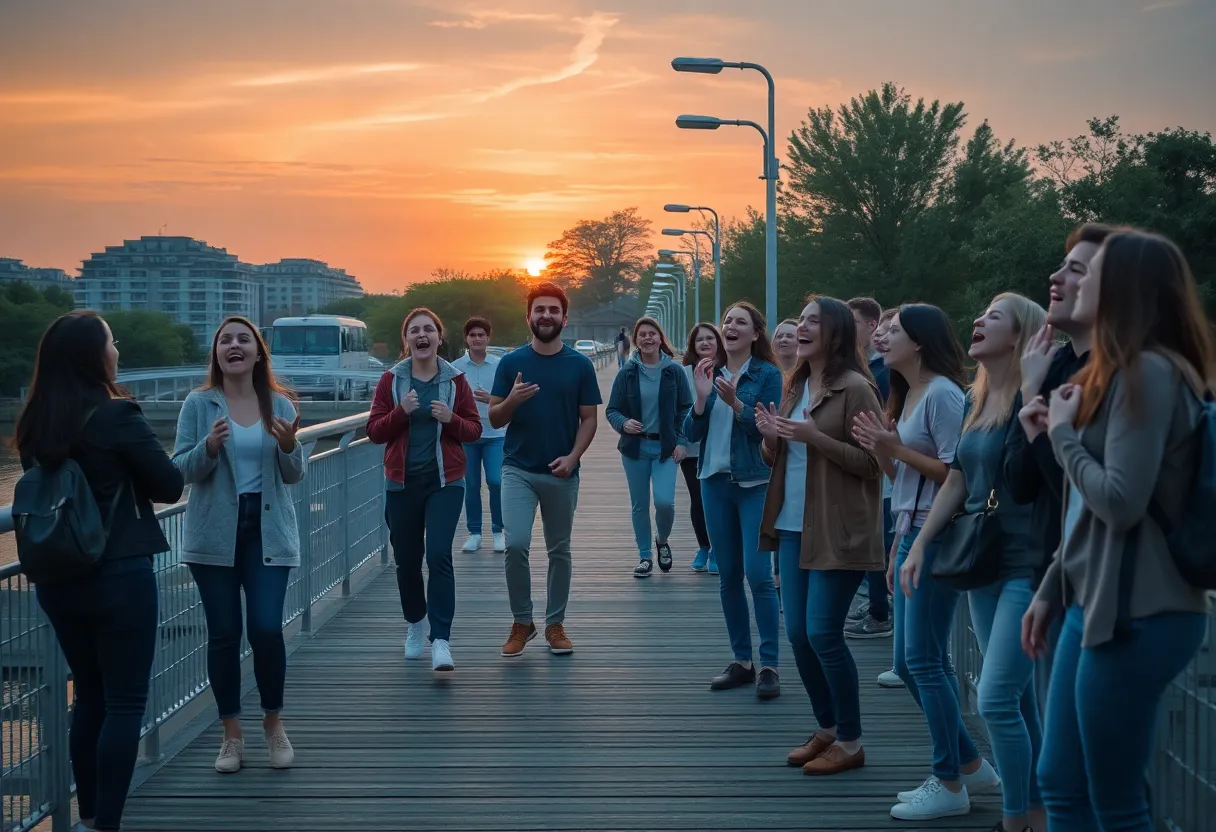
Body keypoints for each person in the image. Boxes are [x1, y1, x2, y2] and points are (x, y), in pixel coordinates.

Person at [1023, 231, 1214, 831]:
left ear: (1123, 287)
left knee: (1116, 800)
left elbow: (1121, 503)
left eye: (1090, 270)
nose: (1073, 280)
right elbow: (1086, 512)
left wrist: (1060, 434)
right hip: (1093, 601)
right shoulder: (1113, 374)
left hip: (1140, 613)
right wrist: (1053, 587)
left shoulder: (1148, 373)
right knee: (1059, 780)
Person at [14, 311, 184, 832]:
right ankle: (108, 823)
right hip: (118, 574)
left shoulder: (36, 423)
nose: (117, 351)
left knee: (87, 696)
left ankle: (88, 816)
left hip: (58, 578)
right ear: (94, 355)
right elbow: (169, 485)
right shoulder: (117, 415)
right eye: (111, 342)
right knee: (125, 700)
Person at [901, 294, 1046, 829]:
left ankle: (1013, 819)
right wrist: (919, 546)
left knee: (996, 697)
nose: (978, 321)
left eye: (994, 317)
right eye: (980, 313)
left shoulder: (1037, 394)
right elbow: (958, 477)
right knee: (1019, 696)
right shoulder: (976, 397)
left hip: (1028, 563)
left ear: (1020, 336)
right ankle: (1034, 810)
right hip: (984, 563)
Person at [853, 304, 999, 820]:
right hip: (910, 528)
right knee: (916, 664)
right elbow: (903, 480)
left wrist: (893, 446)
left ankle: (950, 781)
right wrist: (883, 450)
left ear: (921, 342)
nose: (881, 338)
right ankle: (966, 761)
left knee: (925, 662)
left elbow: (955, 475)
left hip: (937, 533)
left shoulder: (940, 392)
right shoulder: (907, 391)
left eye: (892, 332)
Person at [756, 296, 884, 775]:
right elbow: (783, 460)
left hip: (839, 529)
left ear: (835, 333)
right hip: (792, 526)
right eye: (801, 318)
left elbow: (875, 465)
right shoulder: (797, 384)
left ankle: (851, 741)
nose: (803, 327)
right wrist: (772, 438)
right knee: (798, 635)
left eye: (814, 321)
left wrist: (815, 439)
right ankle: (827, 728)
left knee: (823, 634)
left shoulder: (856, 388)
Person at [172, 316, 305, 774]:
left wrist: (290, 447)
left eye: (243, 339)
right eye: (225, 340)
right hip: (215, 532)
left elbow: (294, 475)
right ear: (217, 353)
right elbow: (180, 471)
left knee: (266, 627)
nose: (234, 345)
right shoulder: (199, 404)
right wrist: (208, 447)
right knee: (224, 634)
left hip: (267, 530)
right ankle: (231, 733)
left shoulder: (280, 404)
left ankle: (273, 722)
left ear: (257, 351)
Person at [1005, 223, 1113, 709]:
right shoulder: (1052, 365)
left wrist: (1035, 403)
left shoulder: (1122, 377)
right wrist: (1030, 393)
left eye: (1075, 269)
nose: (1055, 277)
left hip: (1108, 589)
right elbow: (1020, 482)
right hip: (1054, 569)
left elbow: (1084, 492)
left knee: (1095, 765)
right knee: (1061, 759)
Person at [367, 308, 482, 673]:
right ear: (407, 341)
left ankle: (441, 640)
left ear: (438, 337)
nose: (422, 335)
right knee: (407, 563)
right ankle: (416, 622)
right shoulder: (391, 381)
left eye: (428, 329)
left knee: (438, 555)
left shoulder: (455, 381)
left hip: (445, 482)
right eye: (414, 330)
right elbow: (374, 431)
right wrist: (401, 412)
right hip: (401, 483)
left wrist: (452, 420)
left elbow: (475, 430)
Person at [490, 282, 601, 657]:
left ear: (564, 318)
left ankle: (555, 624)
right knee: (516, 543)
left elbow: (589, 419)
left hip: (561, 472)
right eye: (540, 310)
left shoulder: (580, 365)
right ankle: (522, 621)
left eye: (554, 310)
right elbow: (493, 417)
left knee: (559, 550)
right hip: (518, 468)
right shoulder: (511, 363)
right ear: (529, 316)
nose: (546, 316)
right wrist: (513, 401)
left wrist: (573, 458)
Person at [685, 302, 784, 699]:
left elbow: (766, 429)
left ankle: (771, 665)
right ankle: (742, 661)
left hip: (754, 483)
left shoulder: (768, 375)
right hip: (713, 480)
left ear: (756, 334)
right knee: (727, 576)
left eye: (740, 322)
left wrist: (735, 403)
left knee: (759, 576)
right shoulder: (708, 370)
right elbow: (689, 431)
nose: (730, 326)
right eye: (727, 320)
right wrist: (701, 398)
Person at [606, 316, 693, 577]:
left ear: (660, 338)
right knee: (640, 504)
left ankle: (662, 540)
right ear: (636, 340)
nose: (647, 338)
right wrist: (623, 423)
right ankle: (645, 556)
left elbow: (686, 408)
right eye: (642, 334)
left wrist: (682, 441)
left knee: (665, 502)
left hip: (666, 448)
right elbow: (612, 410)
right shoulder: (627, 373)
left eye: (652, 333)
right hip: (635, 449)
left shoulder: (673, 371)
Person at [845, 297, 894, 641]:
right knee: (871, 536)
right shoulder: (861, 366)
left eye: (852, 323)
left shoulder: (885, 371)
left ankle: (882, 612)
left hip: (886, 469)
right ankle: (879, 604)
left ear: (870, 325)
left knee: (880, 539)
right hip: (861, 463)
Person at [452, 316, 506, 554]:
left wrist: (491, 398)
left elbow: (510, 397)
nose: (477, 339)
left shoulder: (500, 365)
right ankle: (474, 532)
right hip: (467, 434)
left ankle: (498, 531)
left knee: (495, 480)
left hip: (496, 432)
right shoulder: (456, 367)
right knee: (471, 484)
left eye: (481, 335)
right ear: (467, 338)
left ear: (488, 338)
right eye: (472, 335)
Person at [681, 323, 724, 573]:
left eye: (710, 338)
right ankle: (704, 547)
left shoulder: (727, 372)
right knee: (698, 500)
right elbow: (678, 409)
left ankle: (719, 549)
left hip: (720, 445)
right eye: (700, 340)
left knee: (718, 502)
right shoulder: (684, 372)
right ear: (693, 346)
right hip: (692, 446)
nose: (705, 343)